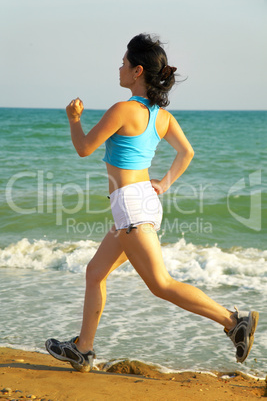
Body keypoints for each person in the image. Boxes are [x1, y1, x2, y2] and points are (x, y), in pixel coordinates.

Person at [45, 33, 259, 373]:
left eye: (124, 63)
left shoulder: (124, 110)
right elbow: (186, 152)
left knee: (161, 284)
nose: (119, 68)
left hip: (130, 205)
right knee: (95, 272)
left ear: (137, 71)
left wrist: (73, 119)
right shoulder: (162, 116)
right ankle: (82, 349)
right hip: (140, 200)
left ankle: (233, 322)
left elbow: (84, 147)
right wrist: (164, 183)